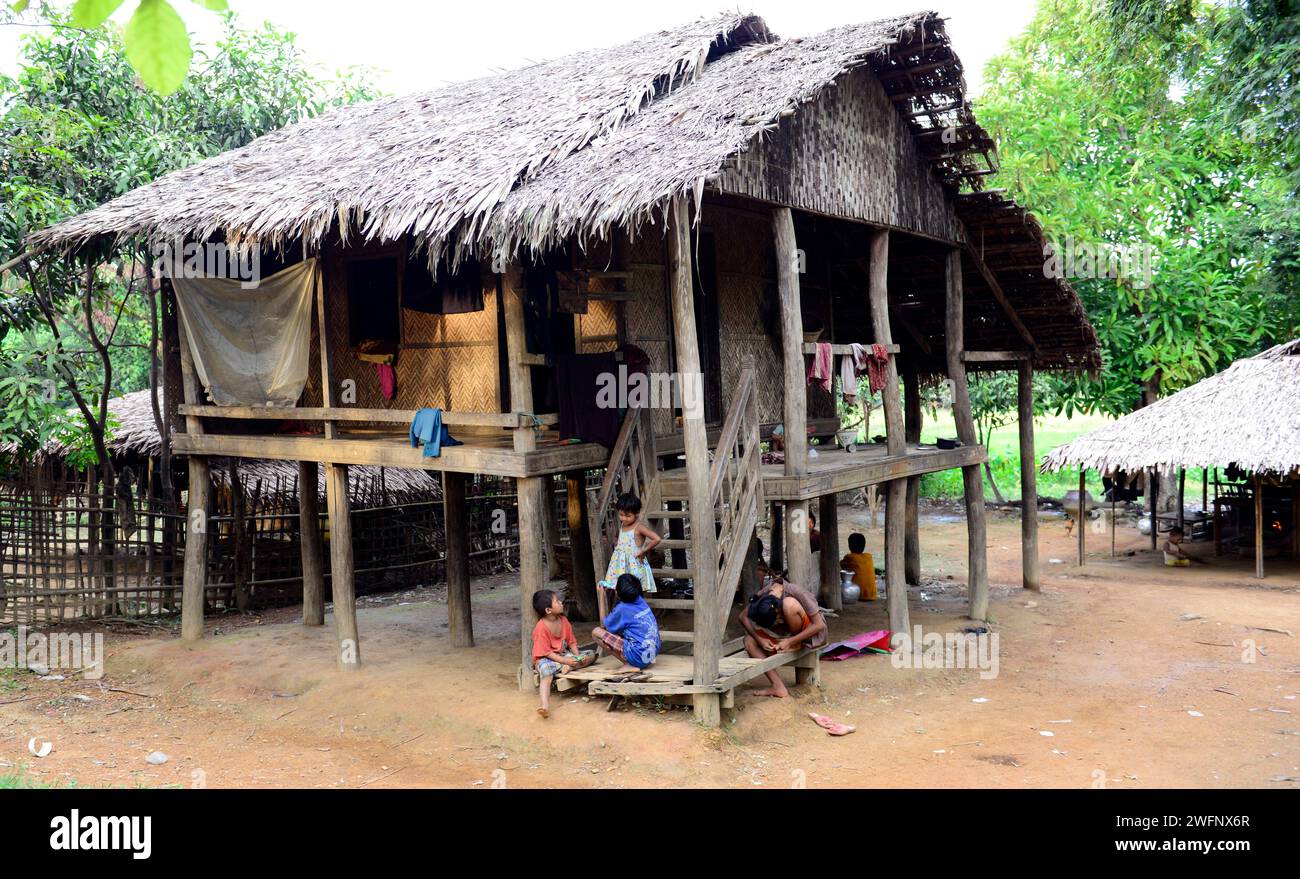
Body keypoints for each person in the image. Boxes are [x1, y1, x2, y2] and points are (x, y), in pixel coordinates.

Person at [737, 575, 827, 698]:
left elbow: (819, 625)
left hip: (809, 634)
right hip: (785, 635)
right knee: (749, 641)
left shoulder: (796, 592)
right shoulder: (765, 595)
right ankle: (778, 686)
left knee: (789, 604)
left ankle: (796, 643)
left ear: (778, 612)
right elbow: (743, 616)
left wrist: (790, 641)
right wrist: (760, 639)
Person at [531, 589, 594, 718]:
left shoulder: (564, 621)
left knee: (590, 655)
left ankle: (570, 666)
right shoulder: (541, 627)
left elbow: (571, 642)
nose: (561, 602)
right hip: (547, 659)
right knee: (546, 675)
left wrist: (577, 657)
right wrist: (565, 661)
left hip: (564, 656)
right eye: (556, 601)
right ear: (548, 610)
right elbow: (546, 652)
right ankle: (544, 706)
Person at [592, 574, 661, 673]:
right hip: (652, 653)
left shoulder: (622, 608)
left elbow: (603, 625)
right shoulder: (640, 600)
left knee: (596, 632)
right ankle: (633, 660)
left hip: (639, 657)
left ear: (618, 593)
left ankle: (628, 664)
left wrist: (601, 596)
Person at [599, 492, 661, 602]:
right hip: (621, 564)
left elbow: (657, 538)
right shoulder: (623, 525)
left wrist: (644, 550)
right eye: (621, 515)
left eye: (628, 516)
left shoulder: (639, 527)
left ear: (636, 513)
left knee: (634, 590)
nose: (624, 518)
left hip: (633, 564)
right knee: (621, 589)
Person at [840, 532, 877, 600]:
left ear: (850, 546)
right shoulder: (869, 557)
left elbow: (839, 566)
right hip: (871, 594)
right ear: (864, 545)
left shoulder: (850, 557)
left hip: (857, 594)